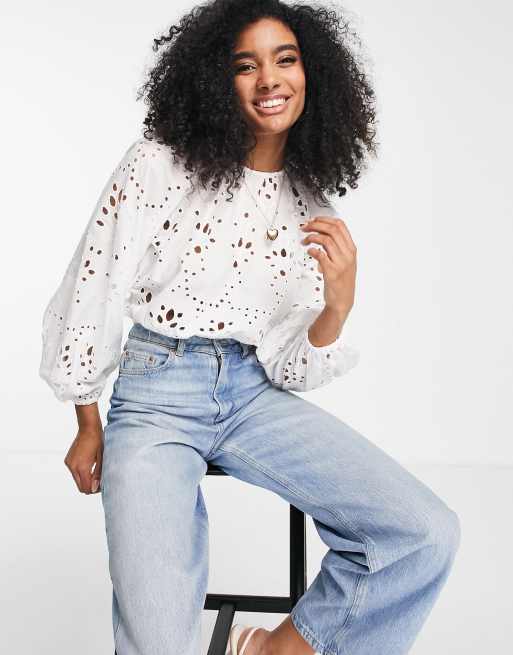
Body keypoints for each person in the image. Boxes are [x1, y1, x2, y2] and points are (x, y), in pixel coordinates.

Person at [39, 1, 461, 654]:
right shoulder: (157, 164)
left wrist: (337, 306)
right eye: (246, 65)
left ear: (311, 74)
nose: (269, 79)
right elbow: (92, 285)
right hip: (155, 395)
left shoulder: (310, 206)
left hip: (251, 395)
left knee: (423, 532)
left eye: (285, 59)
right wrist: (86, 419)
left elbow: (289, 368)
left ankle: (278, 647)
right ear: (217, 80)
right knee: (156, 641)